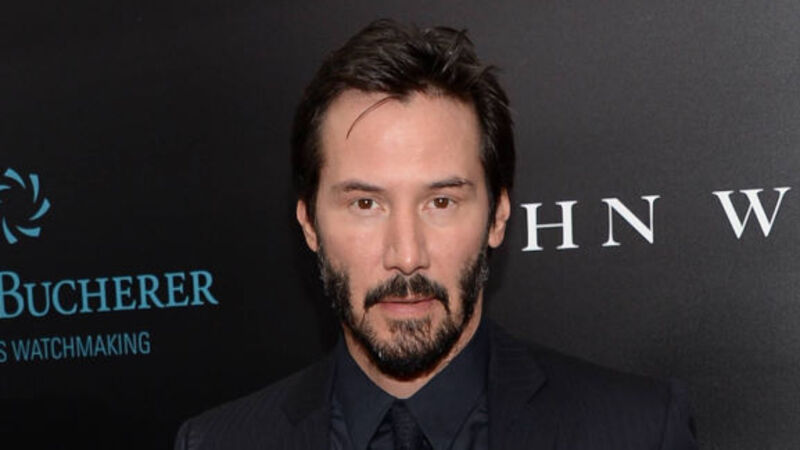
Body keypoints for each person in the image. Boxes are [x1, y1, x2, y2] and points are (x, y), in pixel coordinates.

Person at [174, 19, 697, 450]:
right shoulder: (218, 443)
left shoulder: (638, 432)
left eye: (441, 202)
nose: (406, 255)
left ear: (497, 216)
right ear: (309, 224)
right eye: (365, 204)